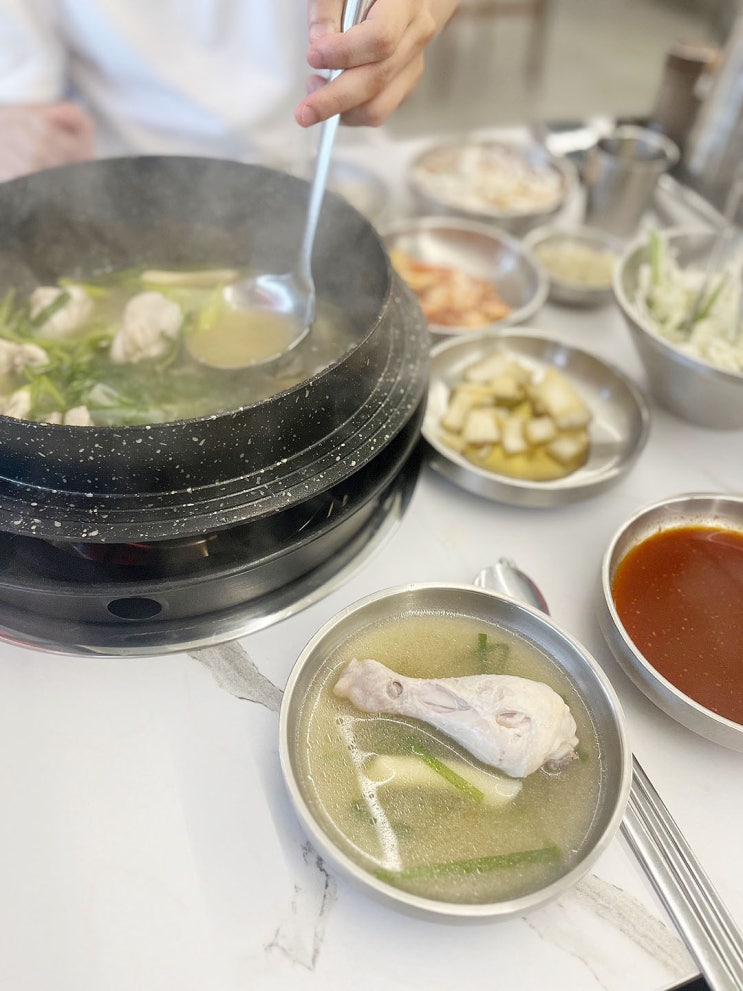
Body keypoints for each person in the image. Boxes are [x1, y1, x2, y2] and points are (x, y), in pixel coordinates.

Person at [0, 0, 458, 182]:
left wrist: (420, 13)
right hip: (125, 181)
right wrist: (19, 124)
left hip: (333, 162)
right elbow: (20, 95)